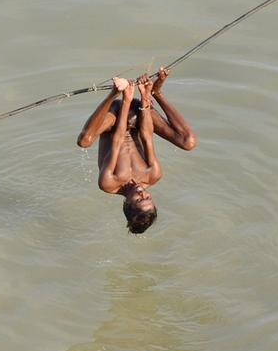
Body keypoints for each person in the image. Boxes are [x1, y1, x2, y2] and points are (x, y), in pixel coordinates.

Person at [76, 67, 196, 234]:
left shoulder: (108, 184)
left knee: (84, 141)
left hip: (114, 118)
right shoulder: (153, 174)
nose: (142, 193)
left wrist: (124, 98)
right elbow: (147, 136)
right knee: (188, 142)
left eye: (139, 199)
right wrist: (145, 96)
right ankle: (157, 92)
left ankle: (112, 93)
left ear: (127, 204)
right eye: (148, 198)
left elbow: (117, 142)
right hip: (139, 116)